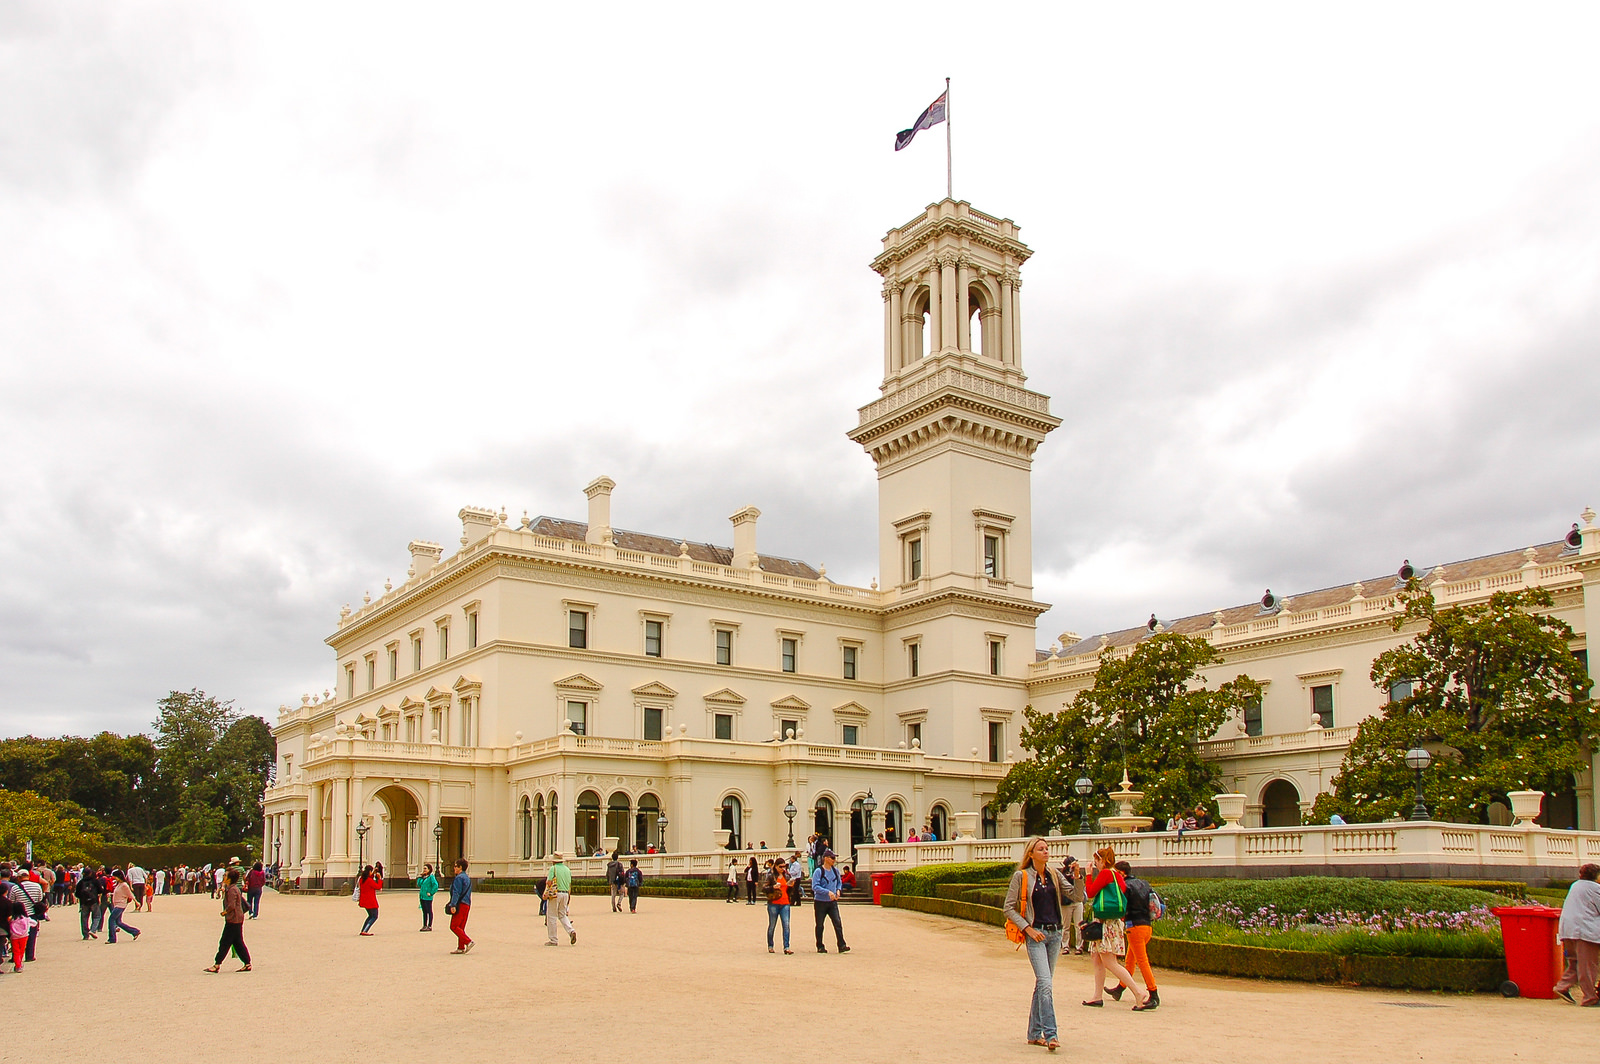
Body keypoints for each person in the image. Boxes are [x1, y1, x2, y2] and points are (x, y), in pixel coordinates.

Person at [1003, 837, 1069, 1050]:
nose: (1046, 852)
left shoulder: (1054, 875)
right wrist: (1028, 928)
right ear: (1031, 854)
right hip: (1036, 935)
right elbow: (1008, 908)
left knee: (1043, 984)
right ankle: (1051, 1034)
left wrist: (1078, 877)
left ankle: (1033, 1032)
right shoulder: (1021, 877)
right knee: (1046, 984)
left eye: (1047, 849)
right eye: (1041, 849)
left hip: (1055, 935)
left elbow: (1078, 896)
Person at [1082, 846, 1149, 1010]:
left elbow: (1090, 892)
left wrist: (1089, 875)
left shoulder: (1106, 873)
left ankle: (1138, 992)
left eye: (1096, 861)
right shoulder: (1118, 875)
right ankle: (1097, 996)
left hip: (1106, 922)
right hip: (1113, 921)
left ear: (1102, 861)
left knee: (1109, 962)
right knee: (1097, 958)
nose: (1095, 864)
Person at [1106, 861, 1159, 1009]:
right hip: (1147, 925)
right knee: (1131, 959)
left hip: (1134, 926)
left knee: (1142, 961)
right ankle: (1120, 988)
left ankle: (1153, 993)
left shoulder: (1125, 886)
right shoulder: (1144, 883)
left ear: (1122, 873)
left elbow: (1120, 906)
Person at [1555, 862, 1600, 1005]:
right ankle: (1589, 998)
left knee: (1575, 962)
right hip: (1585, 931)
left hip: (1567, 929)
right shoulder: (1595, 889)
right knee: (1588, 965)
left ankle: (1562, 986)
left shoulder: (1575, 886)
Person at [204, 867, 250, 973]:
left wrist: (225, 912)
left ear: (229, 879)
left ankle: (217, 964)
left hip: (233, 919)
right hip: (237, 918)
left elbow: (232, 905)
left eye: (225, 875)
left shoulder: (232, 890)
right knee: (238, 942)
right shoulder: (233, 888)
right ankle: (247, 963)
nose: (224, 876)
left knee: (225, 942)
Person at [811, 849, 850, 954]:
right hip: (820, 901)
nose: (834, 860)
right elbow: (815, 886)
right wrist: (827, 892)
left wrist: (838, 890)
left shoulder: (835, 871)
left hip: (832, 902)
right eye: (832, 858)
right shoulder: (819, 871)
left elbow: (839, 882)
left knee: (837, 923)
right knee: (820, 924)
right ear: (826, 858)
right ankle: (820, 945)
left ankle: (841, 944)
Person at [762, 858, 793, 954]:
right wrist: (772, 887)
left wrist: (791, 886)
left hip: (785, 902)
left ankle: (786, 947)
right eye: (781, 867)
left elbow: (789, 891)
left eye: (784, 866)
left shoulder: (787, 876)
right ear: (776, 866)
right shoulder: (771, 876)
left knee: (786, 925)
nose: (783, 868)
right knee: (772, 925)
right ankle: (770, 945)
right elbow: (764, 888)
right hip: (774, 903)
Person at [544, 853, 576, 945]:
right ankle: (571, 930)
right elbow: (569, 885)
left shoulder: (553, 869)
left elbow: (549, 882)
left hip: (555, 893)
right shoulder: (567, 870)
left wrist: (545, 893)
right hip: (565, 893)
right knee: (562, 915)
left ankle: (553, 940)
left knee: (552, 916)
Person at [1059, 856, 1088, 955]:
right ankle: (1065, 946)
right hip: (1066, 903)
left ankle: (1079, 946)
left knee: (1078, 925)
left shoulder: (1078, 873)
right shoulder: (1063, 875)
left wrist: (1076, 873)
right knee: (1065, 925)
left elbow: (1080, 885)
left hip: (1077, 902)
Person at [106, 869, 142, 944]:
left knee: (111, 920)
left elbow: (130, 894)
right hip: (118, 904)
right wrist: (111, 894)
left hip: (120, 905)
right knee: (118, 922)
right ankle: (135, 931)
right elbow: (119, 893)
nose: (114, 878)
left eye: (115, 877)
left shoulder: (124, 885)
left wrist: (136, 902)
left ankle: (112, 938)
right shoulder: (119, 884)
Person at [446, 859, 473, 953]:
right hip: (467, 904)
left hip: (460, 904)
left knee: (454, 926)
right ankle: (461, 947)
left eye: (455, 866)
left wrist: (453, 905)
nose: (454, 868)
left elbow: (456, 892)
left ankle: (468, 941)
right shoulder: (467, 878)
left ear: (460, 867)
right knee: (461, 927)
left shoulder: (458, 878)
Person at [74, 865, 101, 940]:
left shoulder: (81, 882)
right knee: (97, 916)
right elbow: (100, 890)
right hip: (94, 900)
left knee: (84, 918)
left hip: (84, 902)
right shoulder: (95, 881)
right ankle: (93, 929)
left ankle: (85, 934)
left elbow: (77, 894)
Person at [7, 899, 32, 973]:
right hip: (24, 936)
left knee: (15, 951)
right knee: (21, 950)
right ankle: (19, 963)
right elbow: (34, 923)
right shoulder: (26, 918)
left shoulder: (11, 919)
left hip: (14, 937)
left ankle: (17, 965)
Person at [357, 864, 382, 936]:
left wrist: (373, 873)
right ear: (369, 871)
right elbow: (378, 887)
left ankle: (364, 929)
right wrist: (379, 879)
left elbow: (369, 878)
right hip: (370, 901)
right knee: (374, 916)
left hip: (364, 900)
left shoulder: (362, 879)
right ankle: (365, 930)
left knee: (370, 916)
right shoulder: (369, 880)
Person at [417, 864, 439, 932]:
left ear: (429, 869)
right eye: (424, 868)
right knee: (424, 911)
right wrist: (420, 877)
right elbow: (419, 884)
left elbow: (435, 885)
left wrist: (431, 892)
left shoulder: (431, 877)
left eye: (425, 868)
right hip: (422, 896)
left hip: (428, 897)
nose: (424, 870)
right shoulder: (424, 877)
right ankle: (424, 925)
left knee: (429, 910)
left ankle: (429, 925)